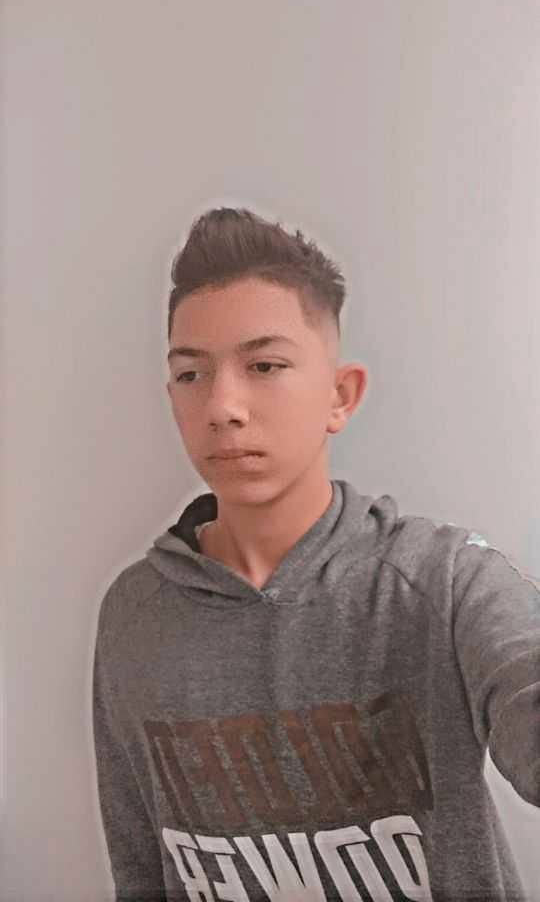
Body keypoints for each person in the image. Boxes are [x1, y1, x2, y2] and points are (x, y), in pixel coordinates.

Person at [92, 207, 540, 902]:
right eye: (191, 374)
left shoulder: (441, 580)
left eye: (264, 365)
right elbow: (140, 867)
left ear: (340, 395)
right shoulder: (134, 616)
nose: (222, 406)